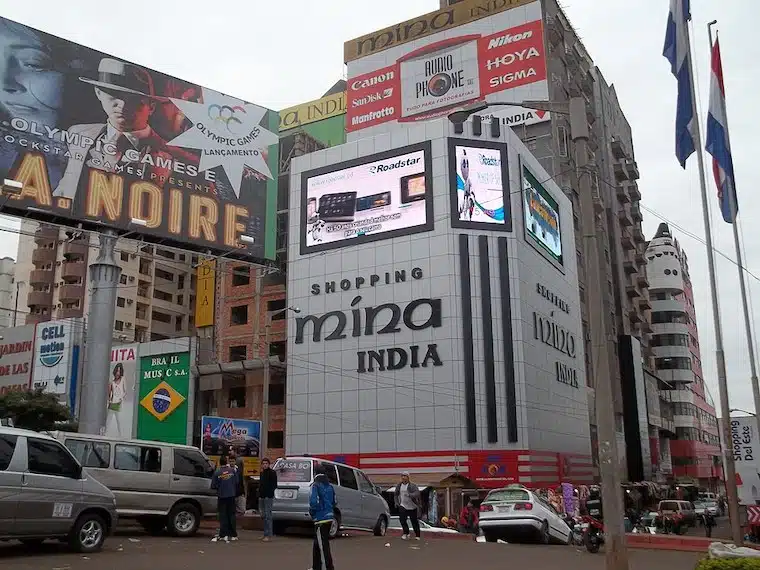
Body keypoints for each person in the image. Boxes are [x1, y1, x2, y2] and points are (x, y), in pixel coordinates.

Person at [53, 57, 174, 201]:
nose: (122, 105)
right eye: (113, 94)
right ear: (98, 93)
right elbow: (64, 186)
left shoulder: (174, 157)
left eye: (134, 99)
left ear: (151, 106)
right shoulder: (77, 133)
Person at [309, 464, 335, 570]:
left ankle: (328, 567)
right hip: (329, 517)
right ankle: (316, 567)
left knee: (323, 546)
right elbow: (334, 502)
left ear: (315, 473)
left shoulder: (315, 485)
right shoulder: (330, 486)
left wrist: (312, 512)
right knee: (317, 544)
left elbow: (313, 502)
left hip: (320, 518)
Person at [211, 456, 240, 543]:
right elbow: (237, 481)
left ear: (220, 463)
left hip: (222, 496)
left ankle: (223, 534)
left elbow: (213, 486)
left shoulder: (217, 472)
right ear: (226, 462)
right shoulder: (232, 471)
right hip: (231, 496)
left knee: (223, 515)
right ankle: (233, 534)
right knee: (231, 515)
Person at [394, 471, 422, 540]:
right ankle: (406, 533)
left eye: (405, 476)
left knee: (414, 521)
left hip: (412, 506)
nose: (403, 477)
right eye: (402, 476)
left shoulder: (413, 485)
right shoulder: (399, 485)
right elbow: (396, 494)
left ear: (408, 477)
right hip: (403, 505)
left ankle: (417, 535)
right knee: (402, 520)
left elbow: (417, 493)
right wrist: (397, 502)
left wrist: (410, 495)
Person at [259, 458, 277, 541]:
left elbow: (274, 485)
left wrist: (269, 494)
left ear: (269, 464)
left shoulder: (272, 473)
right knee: (263, 515)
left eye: (266, 463)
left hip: (268, 497)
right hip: (262, 497)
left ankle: (268, 535)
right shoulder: (262, 473)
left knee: (268, 515)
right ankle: (265, 534)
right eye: (263, 463)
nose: (265, 465)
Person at [105, 363, 126, 437]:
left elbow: (124, 391)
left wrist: (121, 398)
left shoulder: (123, 379)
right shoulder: (112, 381)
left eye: (119, 371)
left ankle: (121, 436)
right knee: (108, 421)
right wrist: (109, 400)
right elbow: (109, 393)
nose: (118, 373)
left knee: (119, 421)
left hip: (119, 403)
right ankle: (106, 435)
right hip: (112, 403)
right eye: (117, 371)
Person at [228, 448, 246, 516]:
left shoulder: (239, 463)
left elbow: (240, 479)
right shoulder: (226, 470)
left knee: (240, 511)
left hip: (238, 491)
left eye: (231, 450)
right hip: (230, 493)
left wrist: (242, 491)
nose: (229, 452)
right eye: (230, 461)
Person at [459, 150, 475, 221]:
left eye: (467, 165)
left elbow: (472, 191)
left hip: (467, 199)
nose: (465, 166)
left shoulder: (469, 180)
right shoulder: (459, 180)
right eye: (464, 165)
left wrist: (471, 196)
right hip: (463, 200)